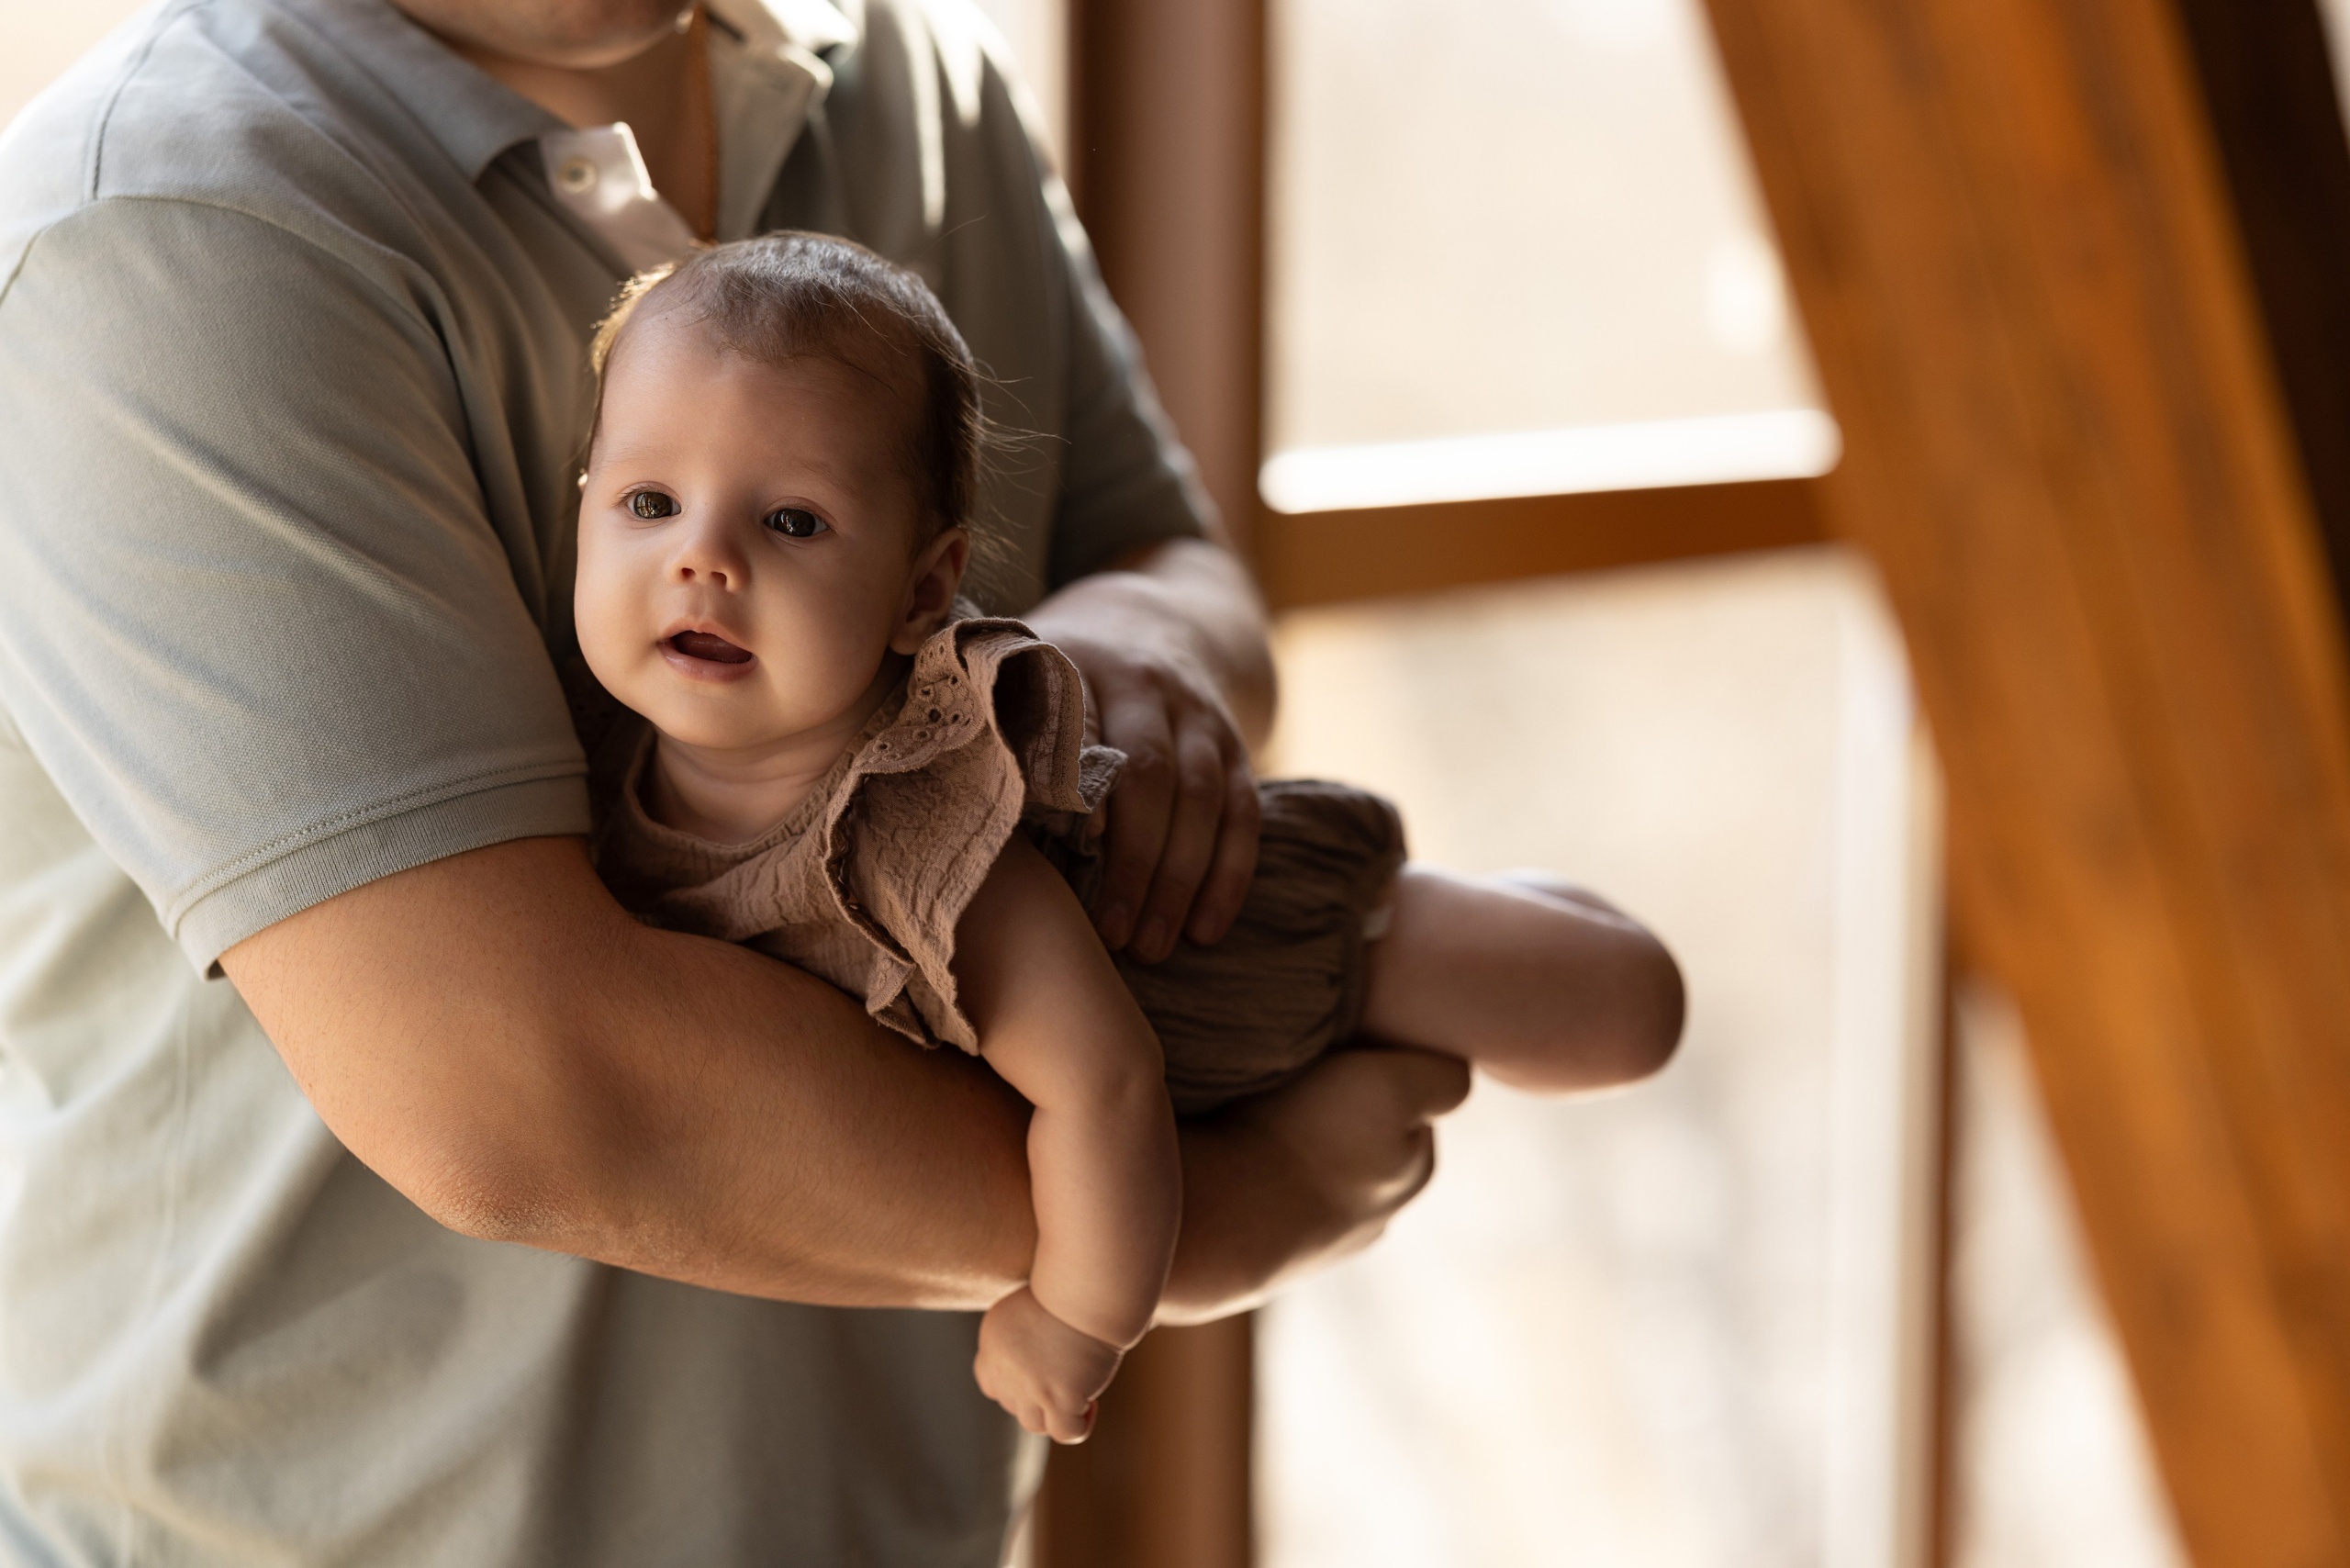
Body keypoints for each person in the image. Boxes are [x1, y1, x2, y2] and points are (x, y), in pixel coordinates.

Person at [0, 0, 1479, 1561]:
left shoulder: (912, 74)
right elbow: (524, 1092)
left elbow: (1160, 552)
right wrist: (1202, 1224)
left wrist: (1123, 658)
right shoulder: (165, 231)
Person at [575, 233, 1686, 1445]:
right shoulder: (599, 776)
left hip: (1246, 942)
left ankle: (1457, 903)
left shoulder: (911, 825)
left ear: (919, 590)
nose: (703, 557)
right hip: (1198, 1110)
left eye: (791, 521)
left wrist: (1080, 1317)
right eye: (649, 502)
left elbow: (1102, 1079)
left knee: (1628, 1006)